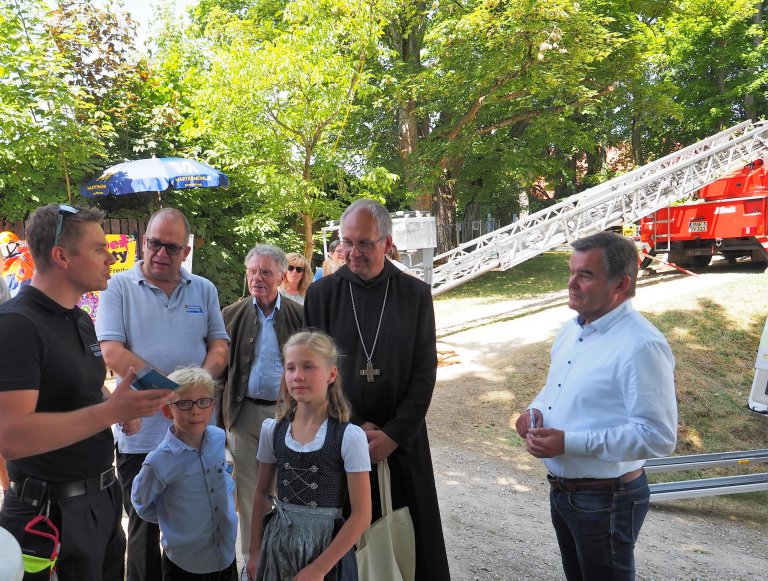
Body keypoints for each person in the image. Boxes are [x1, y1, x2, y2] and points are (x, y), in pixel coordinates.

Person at [0, 204, 173, 580]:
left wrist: (118, 407)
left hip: (101, 502)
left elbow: (76, 394)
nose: (111, 256)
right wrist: (108, 413)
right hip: (47, 515)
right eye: (98, 248)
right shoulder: (16, 325)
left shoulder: (79, 318)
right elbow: (11, 437)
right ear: (61, 256)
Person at [515, 231, 678, 581]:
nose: (572, 283)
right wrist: (535, 411)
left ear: (620, 284)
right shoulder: (571, 330)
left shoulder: (641, 345)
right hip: (566, 493)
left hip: (607, 499)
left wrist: (568, 442)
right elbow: (554, 389)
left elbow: (658, 436)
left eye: (585, 275)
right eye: (572, 272)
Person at [304, 199, 451, 580]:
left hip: (403, 441)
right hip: (339, 436)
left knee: (411, 545)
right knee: (343, 546)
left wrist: (395, 434)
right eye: (346, 242)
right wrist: (354, 426)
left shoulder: (415, 295)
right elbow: (312, 372)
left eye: (364, 244)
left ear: (386, 243)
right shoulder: (322, 296)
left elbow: (424, 371)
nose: (353, 253)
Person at [96, 207, 230, 581]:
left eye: (171, 248)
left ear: (185, 252)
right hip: (143, 437)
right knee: (142, 531)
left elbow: (220, 346)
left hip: (197, 431)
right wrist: (170, 393)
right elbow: (112, 352)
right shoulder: (118, 287)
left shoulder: (203, 288)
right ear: (144, 241)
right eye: (154, 243)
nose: (160, 253)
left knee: (201, 520)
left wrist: (194, 388)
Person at [245, 331, 371, 581]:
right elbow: (261, 493)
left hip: (326, 551)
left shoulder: (348, 436)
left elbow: (361, 514)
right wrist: (255, 551)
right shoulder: (274, 430)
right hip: (277, 544)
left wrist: (320, 568)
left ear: (331, 374)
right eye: (290, 368)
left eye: (308, 366)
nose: (298, 376)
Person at [220, 244, 302, 572]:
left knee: (289, 489)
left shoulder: (299, 315)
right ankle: (252, 564)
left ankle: (284, 564)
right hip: (244, 416)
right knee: (249, 493)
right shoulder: (231, 315)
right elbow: (221, 374)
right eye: (252, 271)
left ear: (282, 276)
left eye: (265, 272)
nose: (257, 278)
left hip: (287, 415)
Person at [132, 366, 238, 581]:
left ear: (212, 406)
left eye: (203, 401)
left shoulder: (218, 439)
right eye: (184, 403)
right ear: (168, 411)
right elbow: (142, 504)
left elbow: (223, 479)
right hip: (185, 563)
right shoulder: (159, 462)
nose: (195, 410)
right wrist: (171, 517)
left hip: (225, 554)